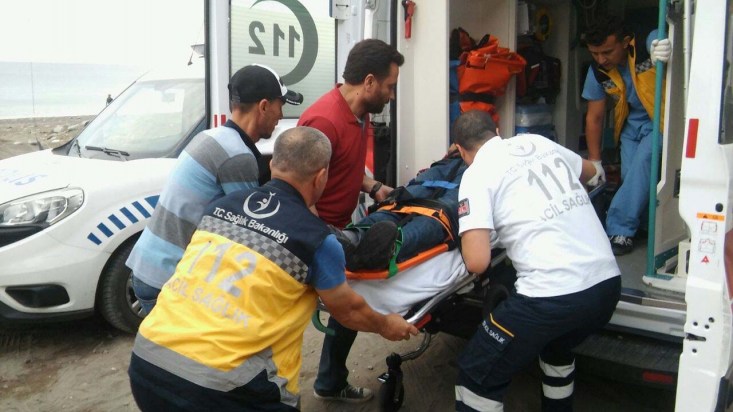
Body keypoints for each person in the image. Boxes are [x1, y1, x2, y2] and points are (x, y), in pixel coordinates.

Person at [127, 126, 418, 411]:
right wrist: (386, 325)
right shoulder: (317, 240)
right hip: (224, 388)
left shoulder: (219, 207)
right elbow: (349, 311)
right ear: (321, 177)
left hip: (148, 363)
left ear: (272, 164)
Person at [451, 110, 622, 411]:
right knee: (557, 346)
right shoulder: (537, 142)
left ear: (461, 151)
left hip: (550, 297)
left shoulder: (475, 175)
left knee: (476, 376)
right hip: (606, 287)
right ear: (497, 131)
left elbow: (477, 262)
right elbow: (588, 171)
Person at [126, 64, 302, 314]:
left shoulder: (211, 137)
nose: (281, 116)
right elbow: (253, 233)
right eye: (280, 105)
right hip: (169, 278)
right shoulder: (237, 156)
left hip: (147, 264)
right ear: (264, 106)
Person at [297, 38, 405, 403]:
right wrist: (324, 243)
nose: (392, 94)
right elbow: (299, 191)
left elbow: (344, 164)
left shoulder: (361, 114)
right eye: (390, 86)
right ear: (370, 81)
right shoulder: (322, 121)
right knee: (343, 306)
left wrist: (374, 187)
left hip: (339, 228)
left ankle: (329, 382)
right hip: (316, 233)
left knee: (349, 306)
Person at [582, 15, 672, 255]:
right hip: (631, 127)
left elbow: (658, 37)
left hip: (660, 121)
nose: (601, 59)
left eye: (607, 52)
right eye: (594, 53)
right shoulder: (598, 72)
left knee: (643, 164)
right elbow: (594, 117)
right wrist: (595, 161)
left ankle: (619, 229)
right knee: (632, 176)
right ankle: (643, 226)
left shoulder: (645, 44)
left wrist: (662, 44)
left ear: (625, 42)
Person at [338, 149, 467, 271]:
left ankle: (381, 247)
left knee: (437, 215)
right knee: (401, 203)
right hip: (451, 161)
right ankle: (351, 238)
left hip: (468, 165)